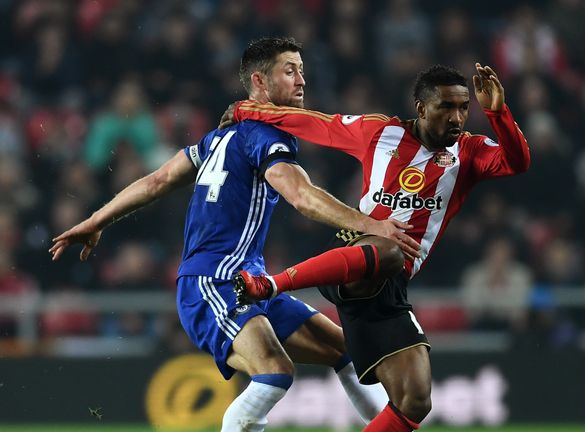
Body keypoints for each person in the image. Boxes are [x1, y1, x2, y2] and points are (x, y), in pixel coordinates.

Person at [49, 37, 421, 432]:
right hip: (212, 281)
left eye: (302, 70)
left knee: (342, 349)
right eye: (289, 70)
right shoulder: (263, 135)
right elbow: (301, 196)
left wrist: (96, 220)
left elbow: (158, 180)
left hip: (249, 281)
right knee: (274, 373)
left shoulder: (218, 138)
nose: (301, 80)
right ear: (260, 81)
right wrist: (371, 225)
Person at [225, 63, 530, 431]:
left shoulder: (469, 153)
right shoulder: (380, 132)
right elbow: (314, 124)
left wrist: (497, 112)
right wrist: (247, 110)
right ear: (421, 108)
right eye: (446, 107)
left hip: (390, 286)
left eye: (464, 108)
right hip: (353, 254)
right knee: (388, 248)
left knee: (415, 400)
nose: (458, 117)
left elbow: (517, 162)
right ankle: (271, 284)